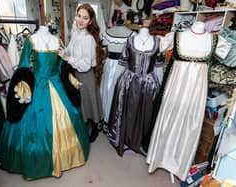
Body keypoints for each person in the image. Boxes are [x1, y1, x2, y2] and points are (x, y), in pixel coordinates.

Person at [0, 24, 89, 179]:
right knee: (35, 121)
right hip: (38, 83)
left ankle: (61, 158)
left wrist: (68, 77)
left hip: (55, 82)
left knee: (68, 114)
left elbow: (60, 65)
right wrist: (23, 84)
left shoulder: (57, 40)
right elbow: (24, 65)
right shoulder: (30, 40)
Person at [146, 21, 231, 181]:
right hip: (175, 90)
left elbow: (225, 53)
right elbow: (162, 47)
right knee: (167, 120)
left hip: (196, 92)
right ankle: (159, 158)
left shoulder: (215, 40)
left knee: (189, 125)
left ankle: (179, 164)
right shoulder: (177, 36)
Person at [108, 27, 162, 156]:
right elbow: (122, 63)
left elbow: (158, 66)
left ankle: (141, 141)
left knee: (146, 113)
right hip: (129, 81)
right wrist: (116, 82)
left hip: (149, 83)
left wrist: (160, 85)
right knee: (129, 111)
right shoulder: (130, 41)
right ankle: (126, 139)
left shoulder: (158, 42)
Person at [58, 4, 104, 143]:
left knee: (90, 104)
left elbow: (85, 65)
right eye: (79, 16)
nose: (81, 20)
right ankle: (86, 125)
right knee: (81, 103)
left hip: (86, 75)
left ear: (90, 21)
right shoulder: (76, 33)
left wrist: (67, 58)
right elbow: (70, 50)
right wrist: (63, 51)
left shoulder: (88, 38)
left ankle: (95, 129)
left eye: (85, 18)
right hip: (76, 74)